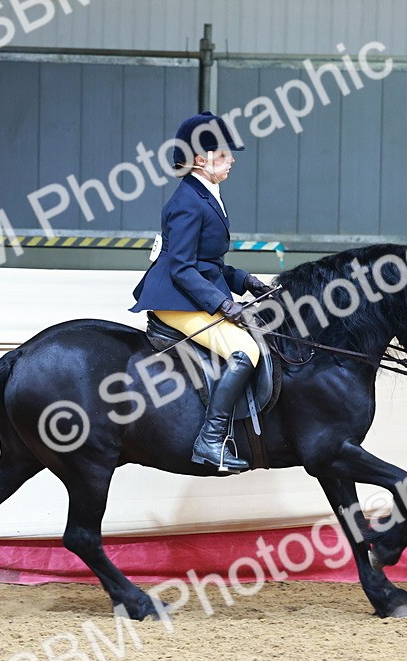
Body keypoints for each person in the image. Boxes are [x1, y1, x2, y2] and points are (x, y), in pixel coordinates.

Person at [130, 111, 269, 473]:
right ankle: (210, 440)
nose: (231, 161)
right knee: (245, 350)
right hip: (174, 298)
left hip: (191, 288)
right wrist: (222, 303)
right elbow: (181, 268)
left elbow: (208, 262)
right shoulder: (188, 203)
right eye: (223, 156)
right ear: (199, 160)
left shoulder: (206, 194)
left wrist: (244, 281)